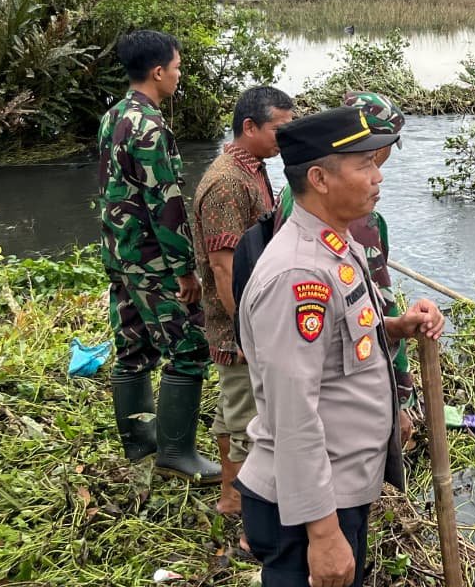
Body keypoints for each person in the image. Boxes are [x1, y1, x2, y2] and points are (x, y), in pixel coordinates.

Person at [236, 106, 444, 587]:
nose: (378, 178)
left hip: (338, 489)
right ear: (320, 179)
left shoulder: (336, 243)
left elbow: (340, 342)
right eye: (364, 166)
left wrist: (396, 327)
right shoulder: (298, 276)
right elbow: (294, 412)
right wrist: (325, 535)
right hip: (308, 508)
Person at [98, 29, 217, 482]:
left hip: (119, 251)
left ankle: (139, 440)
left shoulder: (113, 116)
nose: (179, 76)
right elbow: (164, 203)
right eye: (178, 67)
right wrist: (185, 270)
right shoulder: (149, 125)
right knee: (189, 347)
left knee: (133, 345)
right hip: (151, 258)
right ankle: (175, 453)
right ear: (158, 71)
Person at [276, 92, 419, 446]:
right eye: (372, 155)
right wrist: (399, 399)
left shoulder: (294, 192)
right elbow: (376, 311)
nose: (380, 171)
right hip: (344, 406)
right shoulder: (360, 220)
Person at [191, 86, 295, 523]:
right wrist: (248, 331)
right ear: (249, 127)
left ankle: (234, 495)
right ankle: (236, 503)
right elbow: (222, 267)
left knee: (234, 408)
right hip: (236, 322)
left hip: (249, 315)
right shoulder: (227, 183)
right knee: (244, 415)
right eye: (279, 130)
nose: (284, 139)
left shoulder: (253, 168)